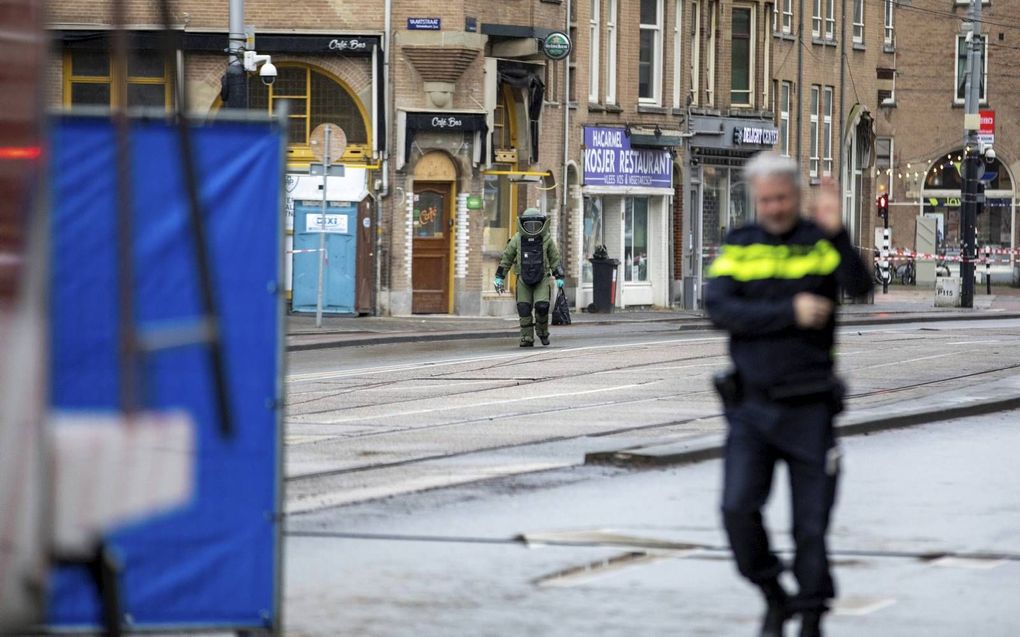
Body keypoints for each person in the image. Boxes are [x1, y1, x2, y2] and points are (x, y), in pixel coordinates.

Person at [705, 152, 872, 637]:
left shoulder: (819, 243)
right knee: (737, 510)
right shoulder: (739, 244)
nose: (774, 208)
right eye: (765, 200)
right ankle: (774, 593)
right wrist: (790, 312)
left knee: (811, 530)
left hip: (810, 407)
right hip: (751, 409)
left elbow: (860, 287)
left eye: (781, 198)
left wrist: (839, 232)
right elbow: (718, 309)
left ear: (796, 197)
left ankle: (812, 616)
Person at [494, 209, 565, 347]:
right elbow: (507, 258)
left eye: (536, 225)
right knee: (524, 308)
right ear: (523, 224)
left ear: (542, 224)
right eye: (529, 225)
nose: (532, 228)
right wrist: (499, 277)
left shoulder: (547, 239)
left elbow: (554, 258)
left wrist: (559, 276)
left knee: (542, 306)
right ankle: (526, 337)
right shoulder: (516, 239)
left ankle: (543, 332)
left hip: (542, 278)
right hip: (523, 278)